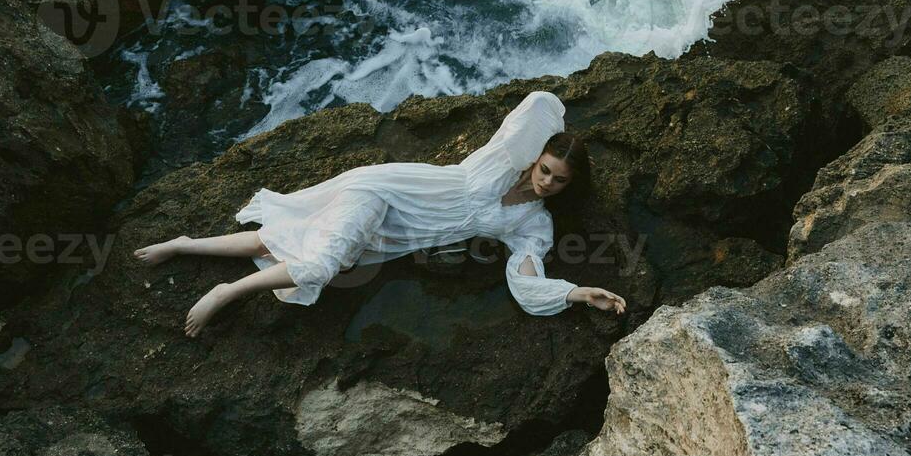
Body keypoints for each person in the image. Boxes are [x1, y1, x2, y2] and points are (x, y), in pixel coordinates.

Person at [134, 89, 627, 336]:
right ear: (536, 156)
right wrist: (563, 124)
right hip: (383, 192)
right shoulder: (504, 157)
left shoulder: (532, 224)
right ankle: (227, 292)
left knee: (279, 241)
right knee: (320, 265)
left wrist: (577, 293)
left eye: (558, 180)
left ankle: (183, 244)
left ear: (568, 185)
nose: (546, 182)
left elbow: (525, 278)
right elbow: (538, 103)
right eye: (545, 168)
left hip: (391, 237)